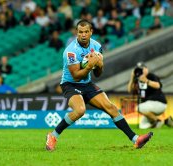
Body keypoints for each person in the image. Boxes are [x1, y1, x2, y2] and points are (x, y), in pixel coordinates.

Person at [45, 20, 153, 151]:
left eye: (86, 32)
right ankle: (52, 135)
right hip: (70, 84)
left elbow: (98, 74)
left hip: (87, 84)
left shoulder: (96, 46)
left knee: (111, 107)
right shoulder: (70, 51)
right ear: (76, 33)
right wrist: (90, 65)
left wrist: (99, 65)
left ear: (91, 32)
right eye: (80, 32)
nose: (83, 35)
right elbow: (76, 76)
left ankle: (136, 139)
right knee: (80, 110)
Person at [127, 62, 173, 129]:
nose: (140, 71)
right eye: (138, 69)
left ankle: (157, 120)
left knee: (139, 108)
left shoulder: (151, 76)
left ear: (146, 69)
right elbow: (129, 90)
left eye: (142, 69)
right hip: (148, 107)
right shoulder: (137, 79)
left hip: (159, 103)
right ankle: (166, 121)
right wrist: (132, 77)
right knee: (142, 126)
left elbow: (158, 86)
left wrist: (146, 80)